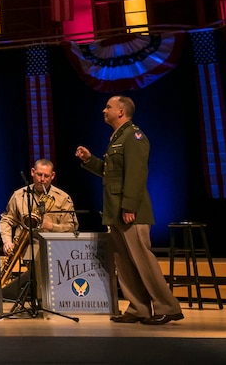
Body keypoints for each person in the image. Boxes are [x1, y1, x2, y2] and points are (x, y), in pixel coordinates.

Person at [77, 96, 184, 325]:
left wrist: (129, 206)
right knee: (124, 262)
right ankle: (139, 307)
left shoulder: (134, 137)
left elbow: (136, 174)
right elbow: (110, 172)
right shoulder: (118, 137)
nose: (104, 110)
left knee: (143, 260)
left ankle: (167, 306)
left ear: (121, 112)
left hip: (129, 211)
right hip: (115, 211)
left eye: (108, 107)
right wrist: (90, 160)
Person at [0, 159, 78, 287]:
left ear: (52, 176)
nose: (42, 179)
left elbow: (73, 227)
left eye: (46, 176)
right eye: (39, 175)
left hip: (55, 249)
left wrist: (51, 226)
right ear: (32, 172)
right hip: (26, 248)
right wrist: (7, 241)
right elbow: (6, 220)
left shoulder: (63, 198)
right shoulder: (19, 195)